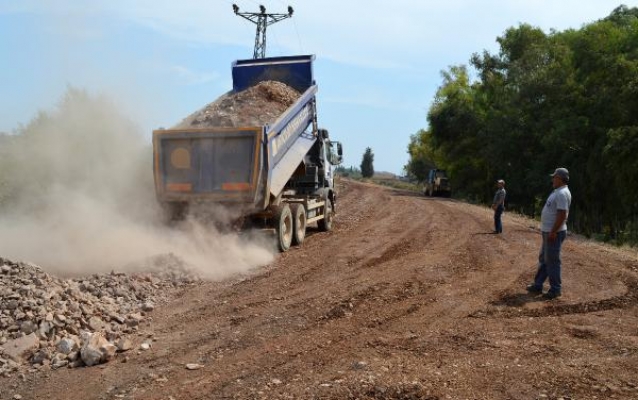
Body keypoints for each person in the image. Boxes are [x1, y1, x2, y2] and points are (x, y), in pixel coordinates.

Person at [526, 167, 572, 299]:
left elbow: (562, 214)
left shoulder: (562, 193)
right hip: (549, 232)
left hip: (554, 233)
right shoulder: (558, 191)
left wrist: (553, 231)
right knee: (544, 259)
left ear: (560, 179)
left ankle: (555, 289)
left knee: (552, 261)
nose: (553, 179)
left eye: (554, 177)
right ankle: (538, 284)